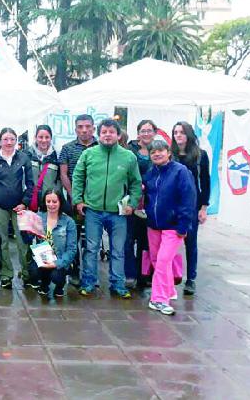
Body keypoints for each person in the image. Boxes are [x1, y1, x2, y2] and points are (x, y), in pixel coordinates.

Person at [72, 119, 143, 299]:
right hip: (93, 211)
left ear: (118, 135)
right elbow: (78, 177)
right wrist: (78, 201)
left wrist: (132, 204)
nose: (107, 135)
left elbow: (136, 183)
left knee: (118, 250)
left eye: (112, 131)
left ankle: (117, 284)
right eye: (104, 132)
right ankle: (88, 283)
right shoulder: (89, 154)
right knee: (91, 248)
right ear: (99, 134)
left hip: (118, 212)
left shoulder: (128, 157)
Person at [141, 139, 197, 316]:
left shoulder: (180, 172)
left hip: (173, 226)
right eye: (153, 152)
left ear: (168, 152)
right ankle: (169, 290)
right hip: (154, 225)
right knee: (157, 260)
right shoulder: (150, 174)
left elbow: (188, 199)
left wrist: (183, 225)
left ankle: (159, 299)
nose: (157, 154)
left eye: (160, 151)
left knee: (164, 260)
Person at [0, 128, 34, 289]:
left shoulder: (24, 158)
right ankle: (6, 274)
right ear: (0, 141)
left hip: (19, 207)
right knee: (2, 241)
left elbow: (31, 184)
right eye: (5, 139)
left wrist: (24, 202)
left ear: (16, 140)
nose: (9, 142)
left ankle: (27, 274)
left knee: (22, 241)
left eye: (12, 139)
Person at [58, 114, 98, 286]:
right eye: (80, 126)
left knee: (92, 240)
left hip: (96, 201)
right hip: (74, 201)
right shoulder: (67, 148)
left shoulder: (101, 146)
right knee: (72, 237)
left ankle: (91, 275)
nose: (84, 130)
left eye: (87, 126)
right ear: (75, 129)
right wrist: (74, 196)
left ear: (93, 128)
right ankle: (74, 271)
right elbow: (64, 174)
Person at [171, 121, 210, 296]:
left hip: (191, 206)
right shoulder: (169, 154)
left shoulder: (200, 155)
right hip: (171, 205)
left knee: (190, 242)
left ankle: (191, 278)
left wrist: (203, 207)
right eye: (175, 132)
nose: (178, 135)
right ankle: (170, 275)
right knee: (169, 242)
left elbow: (206, 182)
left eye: (181, 132)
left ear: (189, 134)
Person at [23, 189, 78, 299]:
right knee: (33, 272)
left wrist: (57, 263)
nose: (51, 205)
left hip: (60, 258)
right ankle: (44, 284)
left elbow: (72, 249)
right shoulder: (38, 217)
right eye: (48, 201)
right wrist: (25, 227)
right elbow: (27, 239)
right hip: (43, 257)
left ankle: (59, 286)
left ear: (60, 202)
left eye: (54, 201)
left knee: (56, 276)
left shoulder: (69, 222)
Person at [124, 120, 157, 289]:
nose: (146, 134)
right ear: (138, 133)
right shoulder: (129, 150)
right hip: (131, 200)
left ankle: (143, 274)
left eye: (149, 130)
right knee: (128, 239)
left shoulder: (159, 150)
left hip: (151, 202)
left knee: (146, 241)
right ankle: (130, 274)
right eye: (143, 130)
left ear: (154, 133)